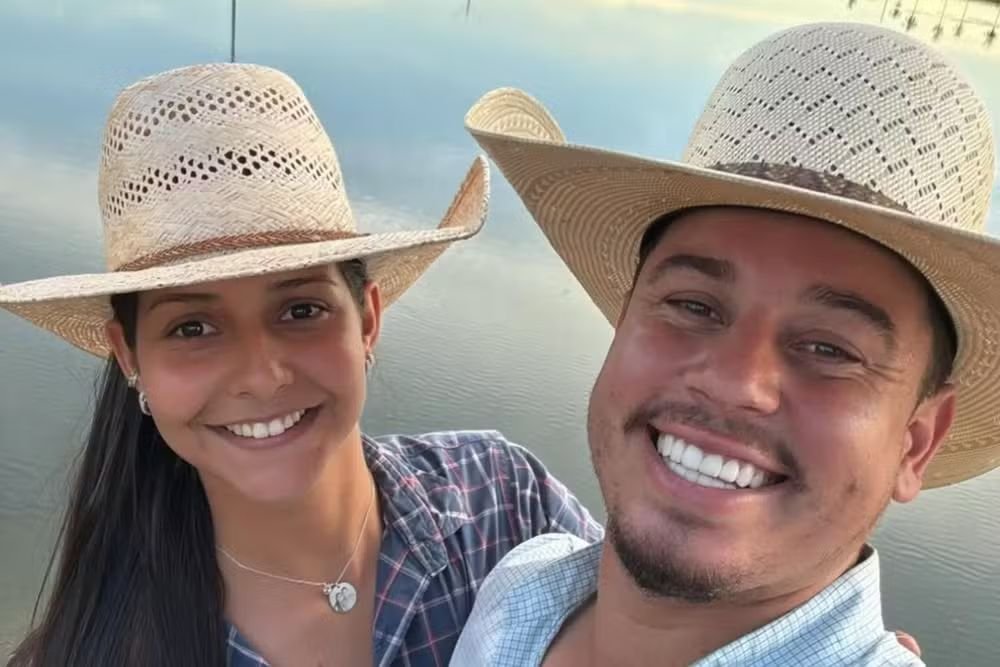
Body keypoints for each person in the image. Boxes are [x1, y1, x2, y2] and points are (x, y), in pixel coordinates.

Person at [0, 63, 602, 667]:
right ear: (129, 355)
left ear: (367, 319)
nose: (262, 376)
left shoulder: (501, 499)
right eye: (192, 328)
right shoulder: (87, 654)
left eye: (301, 310)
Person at [454, 21, 999, 666]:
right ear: (623, 323)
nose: (734, 381)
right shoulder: (518, 589)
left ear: (916, 442)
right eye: (693, 306)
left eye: (829, 350)